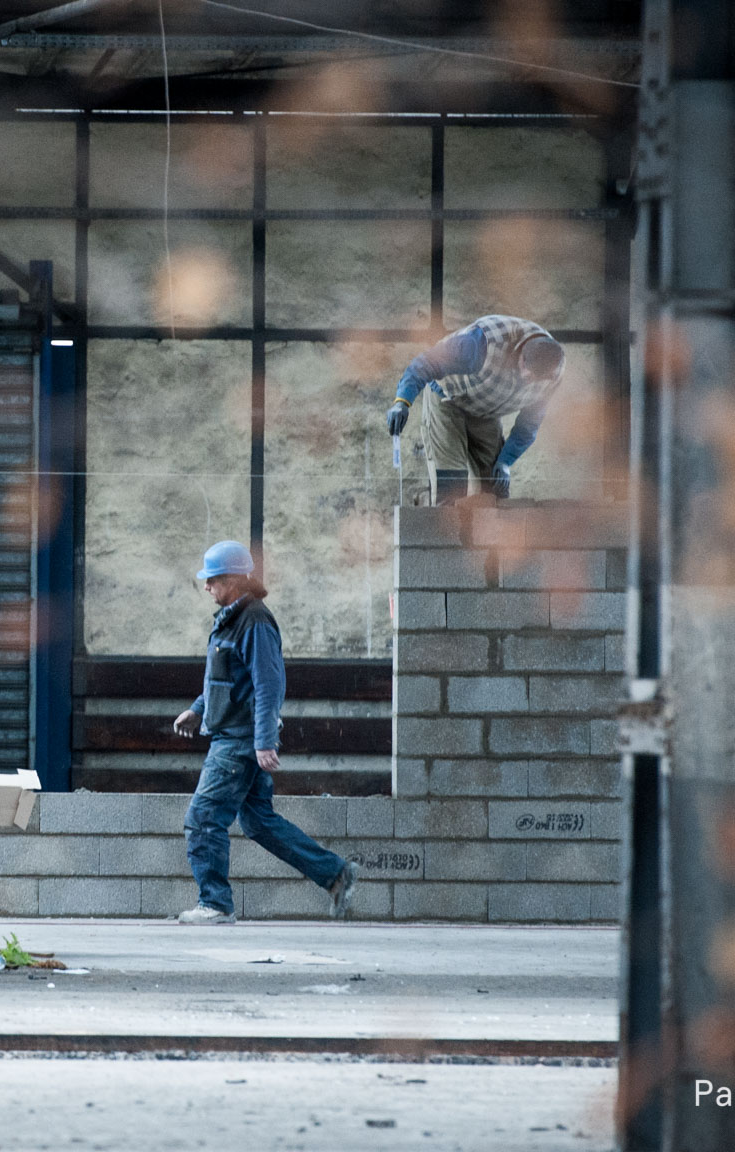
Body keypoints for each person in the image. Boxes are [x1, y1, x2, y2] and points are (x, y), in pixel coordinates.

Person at [169, 541, 358, 924]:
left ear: (235, 580)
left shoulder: (254, 621)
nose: (207, 587)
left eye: (213, 580)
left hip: (239, 741)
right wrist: (198, 709)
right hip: (234, 736)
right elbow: (225, 678)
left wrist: (264, 742)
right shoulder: (231, 618)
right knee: (257, 822)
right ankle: (336, 874)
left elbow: (268, 684)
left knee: (203, 818)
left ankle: (215, 904)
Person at [383, 314, 566, 505]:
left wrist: (505, 461)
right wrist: (402, 402)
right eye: (524, 372)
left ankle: (491, 533)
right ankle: (447, 529)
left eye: (534, 379)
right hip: (447, 397)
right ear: (520, 355)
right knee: (452, 480)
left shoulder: (552, 375)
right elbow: (427, 362)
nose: (526, 381)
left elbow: (528, 425)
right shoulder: (481, 344)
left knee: (493, 486)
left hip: (487, 409)